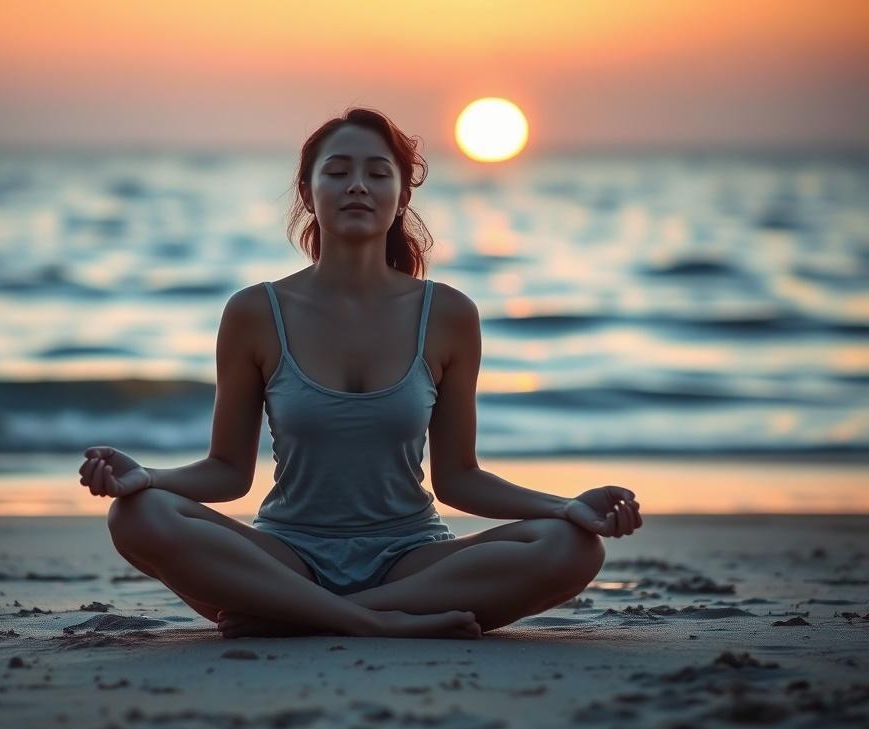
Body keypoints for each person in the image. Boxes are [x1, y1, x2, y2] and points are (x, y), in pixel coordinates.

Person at [81, 107, 642, 640]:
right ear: (307, 192)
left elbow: (459, 478)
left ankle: (305, 619)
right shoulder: (255, 311)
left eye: (378, 173)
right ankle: (368, 621)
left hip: (411, 563)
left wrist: (564, 507)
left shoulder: (447, 314)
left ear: (401, 197)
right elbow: (228, 473)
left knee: (574, 548)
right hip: (285, 559)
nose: (357, 185)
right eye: (338, 171)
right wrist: (148, 477)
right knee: (136, 516)